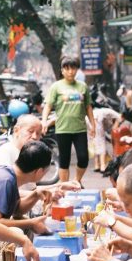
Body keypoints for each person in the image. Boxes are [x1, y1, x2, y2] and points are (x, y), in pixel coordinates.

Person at [42, 56, 95, 186]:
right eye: (67, 68)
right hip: (62, 129)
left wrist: (93, 125)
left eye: (73, 68)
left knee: (83, 158)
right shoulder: (56, 86)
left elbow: (88, 107)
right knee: (64, 160)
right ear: (62, 70)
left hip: (80, 129)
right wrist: (44, 121)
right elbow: (48, 106)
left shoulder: (83, 86)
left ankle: (77, 181)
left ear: (77, 70)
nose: (70, 71)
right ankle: (64, 186)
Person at [91, 107, 121, 173]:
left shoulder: (105, 113)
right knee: (101, 142)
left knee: (95, 142)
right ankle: (103, 166)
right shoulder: (116, 115)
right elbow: (114, 128)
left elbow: (107, 129)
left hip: (90, 118)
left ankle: (97, 165)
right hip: (96, 119)